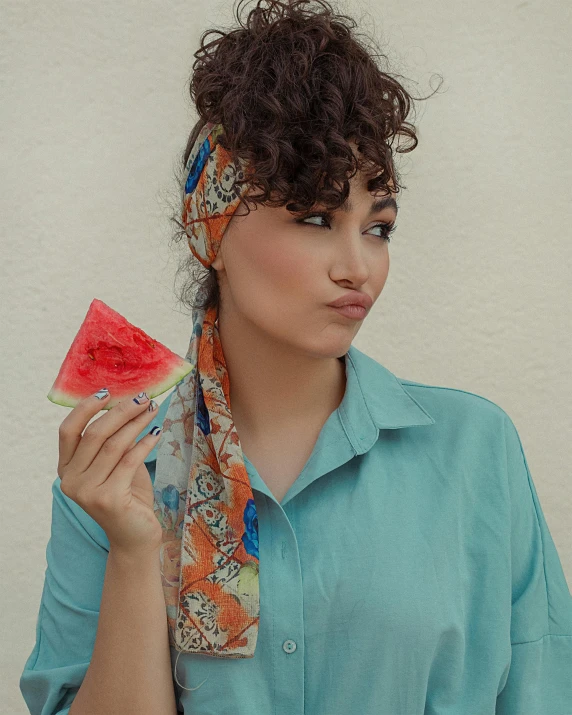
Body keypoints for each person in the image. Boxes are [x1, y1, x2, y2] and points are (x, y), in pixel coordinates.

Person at [20, 0, 572, 713]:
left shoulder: (476, 450)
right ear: (211, 230)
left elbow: (544, 693)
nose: (358, 266)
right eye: (315, 218)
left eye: (378, 226)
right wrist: (133, 550)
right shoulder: (117, 477)